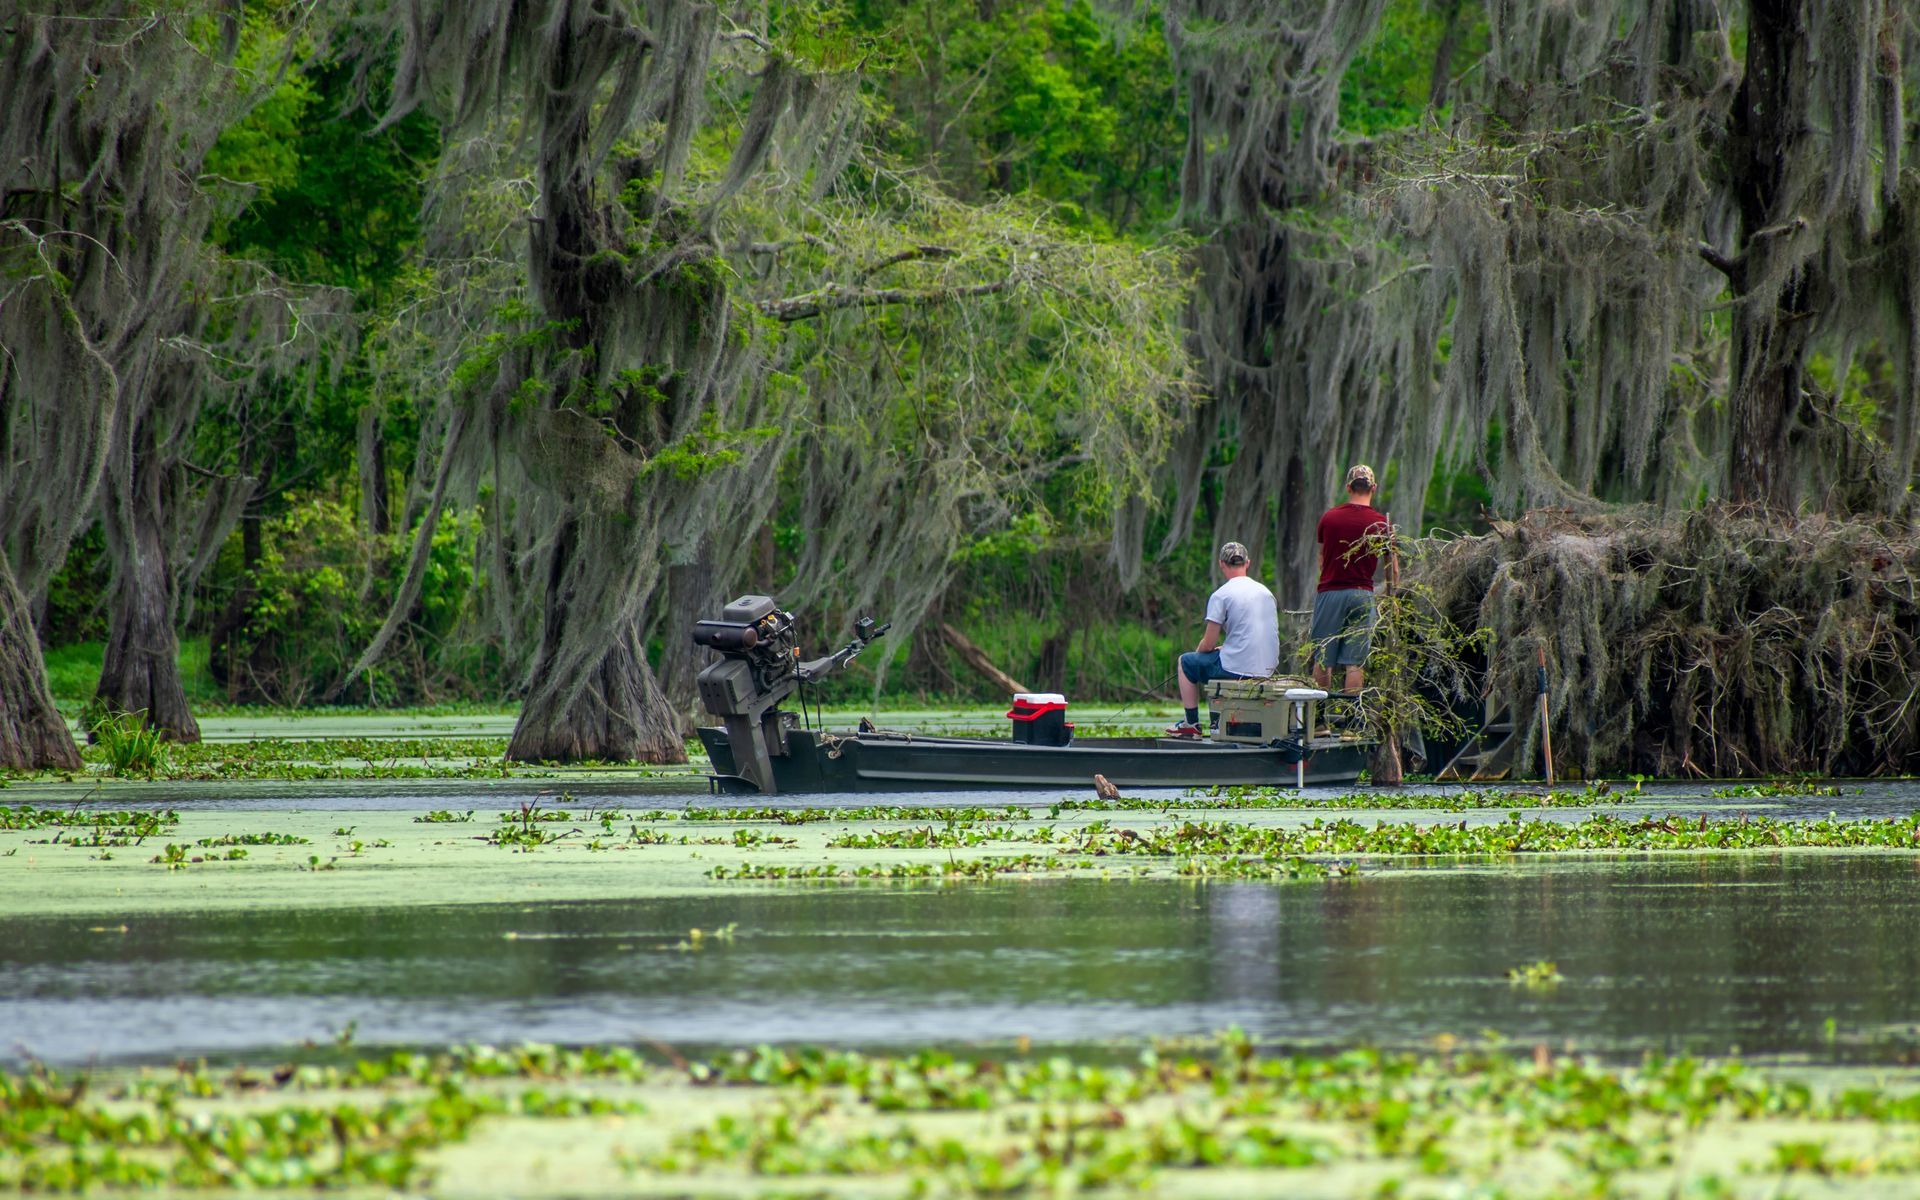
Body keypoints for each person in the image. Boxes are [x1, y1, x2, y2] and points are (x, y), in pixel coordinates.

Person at [1166, 541, 1279, 738]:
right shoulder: (1266, 592)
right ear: (1248, 563)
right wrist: (1225, 648)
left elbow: (1208, 643)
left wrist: (1200, 652)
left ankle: (1191, 724)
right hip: (1267, 668)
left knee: (1185, 662)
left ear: (1221, 564)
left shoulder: (1221, 595)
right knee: (1213, 657)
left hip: (1236, 668)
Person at [1312, 463, 1395, 694]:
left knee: (1323, 658)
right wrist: (1392, 598)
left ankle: (1318, 724)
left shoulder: (1329, 518)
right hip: (1362, 594)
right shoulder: (1381, 524)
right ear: (1373, 488)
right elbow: (1393, 570)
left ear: (1349, 487)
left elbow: (1322, 559)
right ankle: (1351, 727)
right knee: (1354, 663)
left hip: (1330, 592)